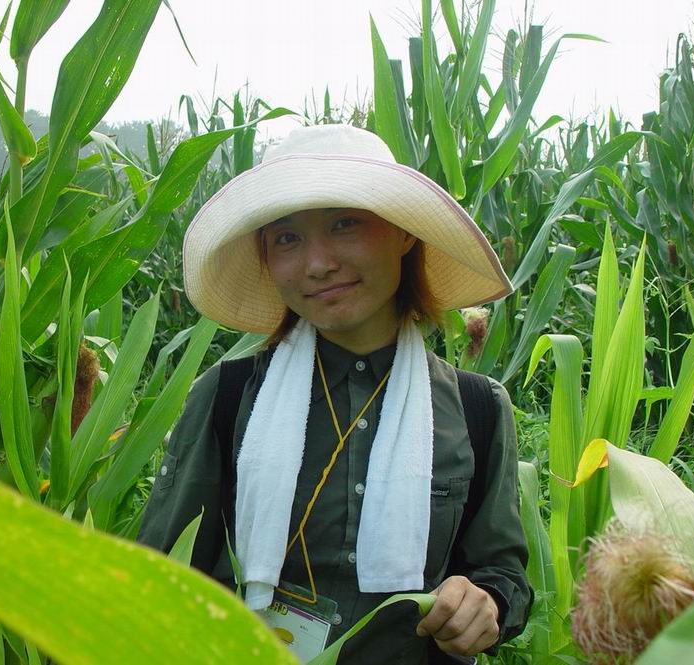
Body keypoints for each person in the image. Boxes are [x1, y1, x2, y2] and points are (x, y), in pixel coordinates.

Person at [137, 124, 532, 664]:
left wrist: (486, 604)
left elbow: (501, 573)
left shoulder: (477, 408)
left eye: (345, 224)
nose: (318, 263)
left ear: (404, 233)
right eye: (287, 238)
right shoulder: (228, 399)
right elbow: (160, 576)